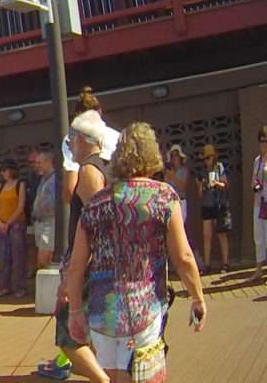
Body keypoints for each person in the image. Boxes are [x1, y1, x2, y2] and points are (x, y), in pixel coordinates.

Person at [67, 122, 206, 382]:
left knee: (110, 376)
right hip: (145, 310)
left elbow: (76, 266)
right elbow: (184, 257)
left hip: (102, 313)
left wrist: (75, 311)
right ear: (152, 155)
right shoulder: (163, 196)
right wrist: (197, 297)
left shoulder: (95, 204)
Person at [39, 109, 112, 382]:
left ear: (82, 139)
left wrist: (72, 276)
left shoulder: (90, 171)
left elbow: (95, 229)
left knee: (68, 336)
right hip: (96, 265)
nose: (68, 145)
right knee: (87, 333)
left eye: (71, 139)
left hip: (89, 265)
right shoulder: (102, 165)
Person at [0, 160, 27, 298]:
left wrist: (9, 223)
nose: (3, 173)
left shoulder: (20, 184)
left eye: (5, 170)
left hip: (16, 225)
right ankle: (4, 286)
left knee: (18, 257)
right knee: (5, 257)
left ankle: (20, 287)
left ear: (12, 170)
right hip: (3, 225)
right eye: (2, 170)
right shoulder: (1, 186)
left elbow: (21, 207)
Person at [198, 143, 230, 274]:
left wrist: (216, 183)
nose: (206, 161)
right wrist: (201, 186)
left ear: (213, 157)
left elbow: (225, 184)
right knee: (206, 236)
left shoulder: (219, 167)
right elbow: (199, 194)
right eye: (204, 159)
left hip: (218, 203)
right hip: (206, 205)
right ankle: (206, 265)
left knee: (221, 233)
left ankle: (226, 263)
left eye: (208, 158)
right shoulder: (202, 172)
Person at [32, 150, 57, 270]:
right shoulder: (43, 180)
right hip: (40, 223)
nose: (37, 166)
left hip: (49, 222)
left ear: (48, 162)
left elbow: (52, 203)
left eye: (39, 162)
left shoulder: (54, 180)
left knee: (44, 257)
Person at [251, 126, 267, 282]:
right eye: (261, 141)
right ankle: (259, 268)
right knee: (258, 236)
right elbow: (253, 179)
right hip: (258, 202)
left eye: (265, 141)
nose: (263, 144)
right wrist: (255, 184)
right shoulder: (257, 160)